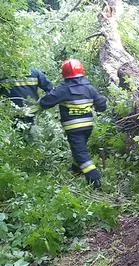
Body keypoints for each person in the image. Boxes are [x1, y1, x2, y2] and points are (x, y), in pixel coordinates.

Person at [39, 59, 107, 189]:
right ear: (82, 71)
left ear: (64, 74)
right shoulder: (90, 88)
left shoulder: (63, 90)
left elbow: (45, 103)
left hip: (73, 128)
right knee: (80, 149)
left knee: (80, 152)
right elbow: (102, 105)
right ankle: (76, 170)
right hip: (88, 127)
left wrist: (48, 96)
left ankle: (94, 179)